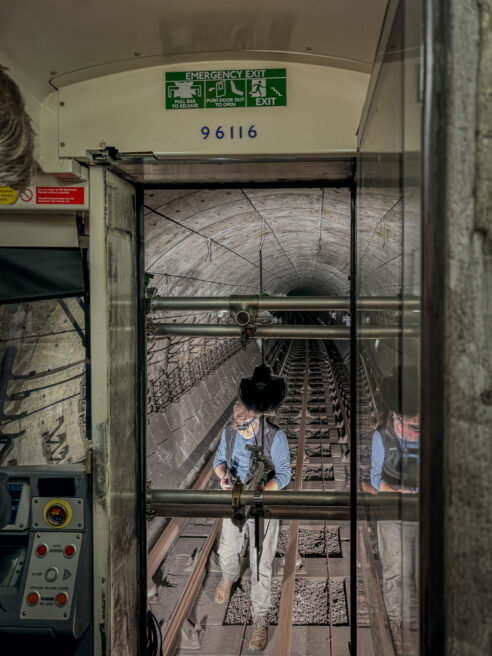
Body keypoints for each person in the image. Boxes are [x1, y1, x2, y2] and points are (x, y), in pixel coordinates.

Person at [213, 400, 291, 653]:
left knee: (261, 563)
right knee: (226, 550)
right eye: (239, 428)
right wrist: (224, 475)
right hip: (236, 496)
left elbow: (284, 474)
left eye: (246, 428)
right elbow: (219, 461)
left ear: (257, 419)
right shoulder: (229, 432)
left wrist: (262, 492)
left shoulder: (275, 437)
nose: (242, 432)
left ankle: (260, 616)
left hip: (263, 503)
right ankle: (228, 577)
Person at [370, 368, 419, 654]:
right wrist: (397, 491)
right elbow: (375, 478)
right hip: (391, 512)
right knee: (394, 569)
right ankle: (396, 621)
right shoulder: (382, 436)